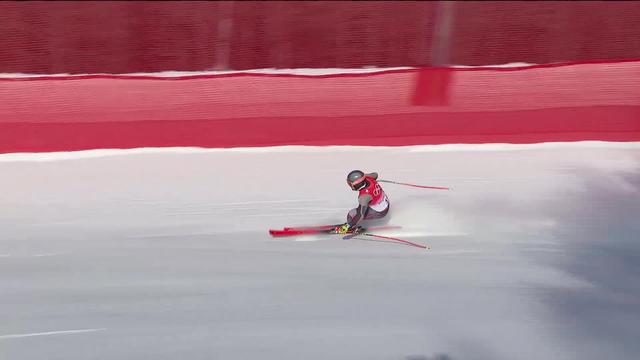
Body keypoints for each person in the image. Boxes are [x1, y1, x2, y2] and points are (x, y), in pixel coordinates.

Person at [336, 170, 390, 234]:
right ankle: (356, 223)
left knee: (352, 214)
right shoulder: (369, 178)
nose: (350, 186)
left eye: (351, 184)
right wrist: (363, 176)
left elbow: (361, 214)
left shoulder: (364, 196)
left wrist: (348, 225)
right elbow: (375, 174)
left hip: (380, 212)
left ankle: (354, 227)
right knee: (361, 208)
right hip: (385, 204)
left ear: (356, 184)